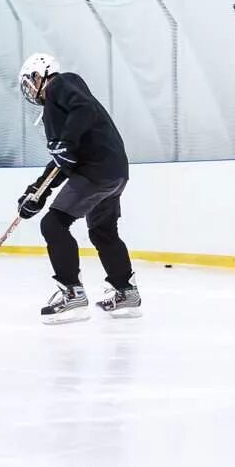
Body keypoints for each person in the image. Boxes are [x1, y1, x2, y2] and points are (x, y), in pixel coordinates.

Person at [15, 53, 141, 324]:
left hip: (96, 172)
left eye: (31, 79)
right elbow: (62, 161)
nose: (29, 87)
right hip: (114, 171)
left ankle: (72, 295)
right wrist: (36, 192)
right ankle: (126, 293)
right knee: (102, 231)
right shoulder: (60, 113)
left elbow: (82, 113)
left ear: (43, 74)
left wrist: (66, 143)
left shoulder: (61, 84)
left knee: (53, 225)